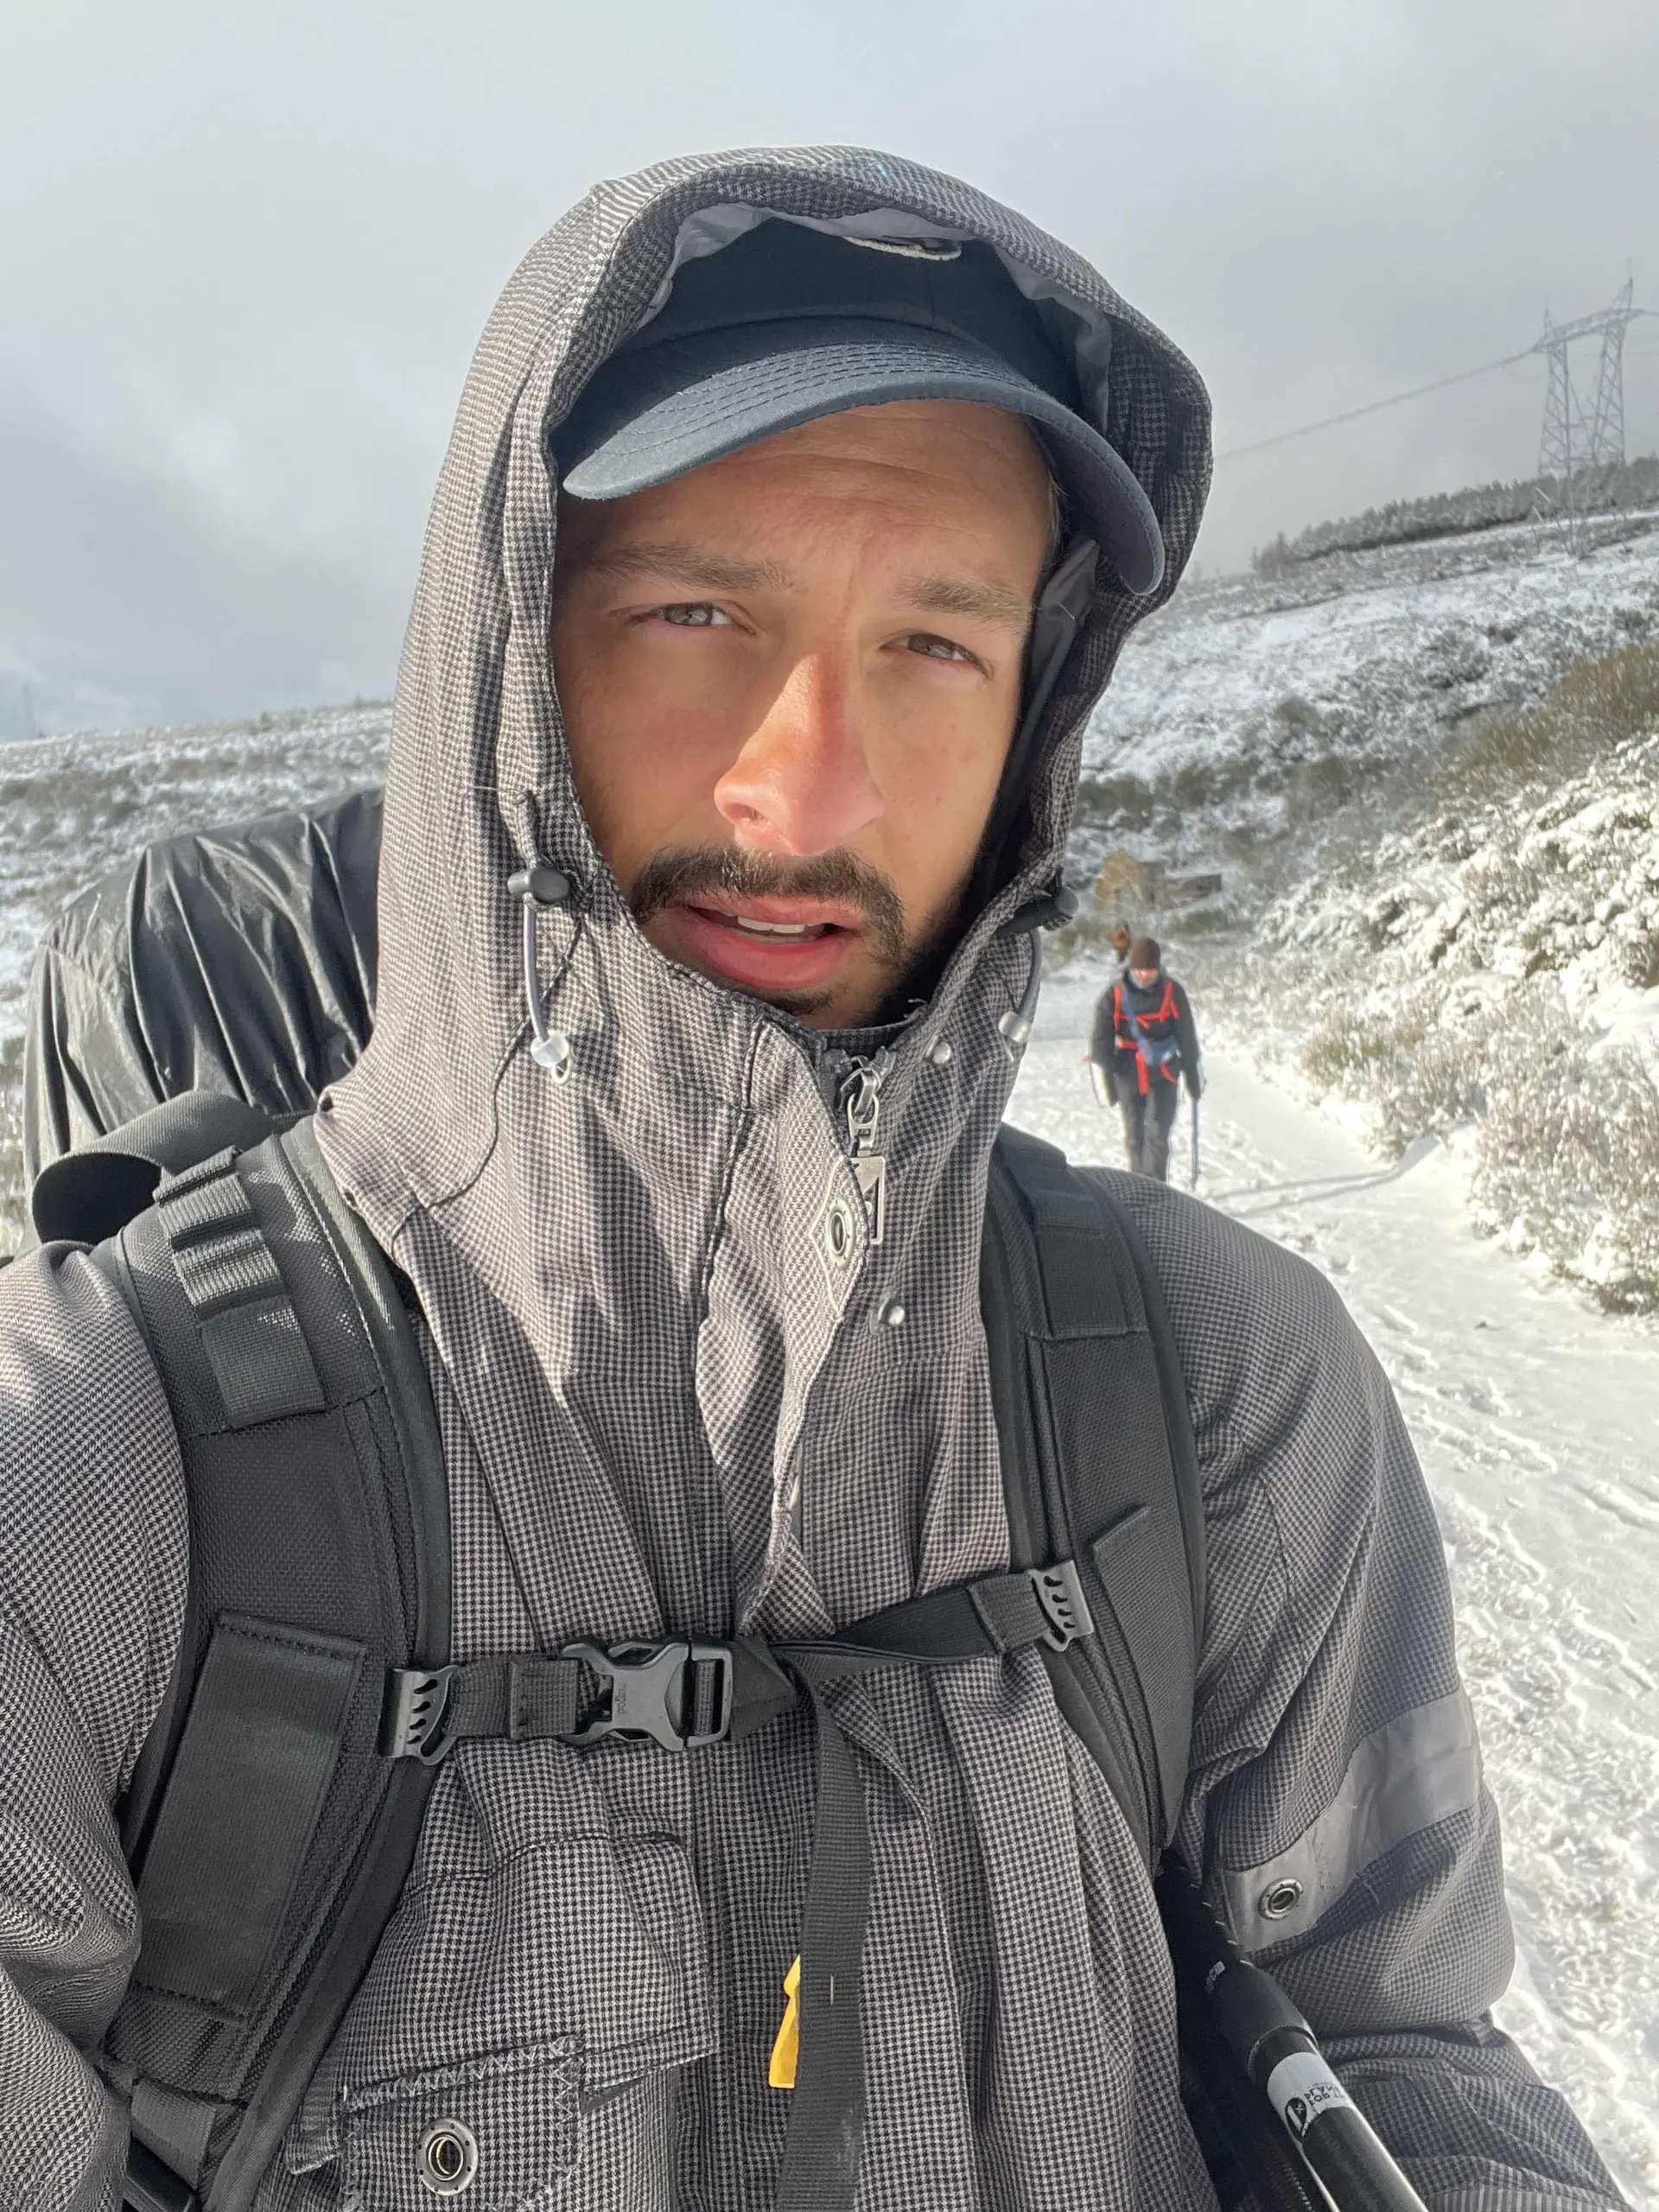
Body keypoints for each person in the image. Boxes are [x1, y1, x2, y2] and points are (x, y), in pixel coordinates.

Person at [0, 148, 1624, 2212]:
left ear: (1034, 707)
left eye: (935, 641)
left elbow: (1399, 2052)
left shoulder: (1229, 1400)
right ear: (509, 659)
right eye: (698, 613)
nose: (808, 786)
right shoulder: (86, 1483)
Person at [1090, 934, 1203, 1181]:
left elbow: (1186, 1037)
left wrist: (1193, 1078)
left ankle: (1155, 1186)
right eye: (1139, 970)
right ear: (1131, 967)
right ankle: (1137, 1183)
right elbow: (1100, 1042)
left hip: (1163, 1071)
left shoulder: (1173, 991)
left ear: (1158, 968)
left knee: (1158, 1132)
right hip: (1127, 1072)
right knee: (1134, 1135)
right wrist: (1107, 1081)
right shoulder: (1114, 995)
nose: (1144, 975)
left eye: (1149, 970)